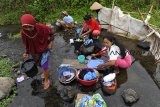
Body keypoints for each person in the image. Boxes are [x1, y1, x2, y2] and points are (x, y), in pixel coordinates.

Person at [21, 14, 54, 89]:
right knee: (38, 63)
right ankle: (44, 72)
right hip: (34, 50)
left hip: (45, 48)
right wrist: (27, 52)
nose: (28, 29)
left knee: (44, 64)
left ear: (33, 23)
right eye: (25, 27)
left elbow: (52, 33)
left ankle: (46, 80)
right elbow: (26, 43)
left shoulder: (42, 27)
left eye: (30, 26)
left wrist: (51, 43)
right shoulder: (23, 32)